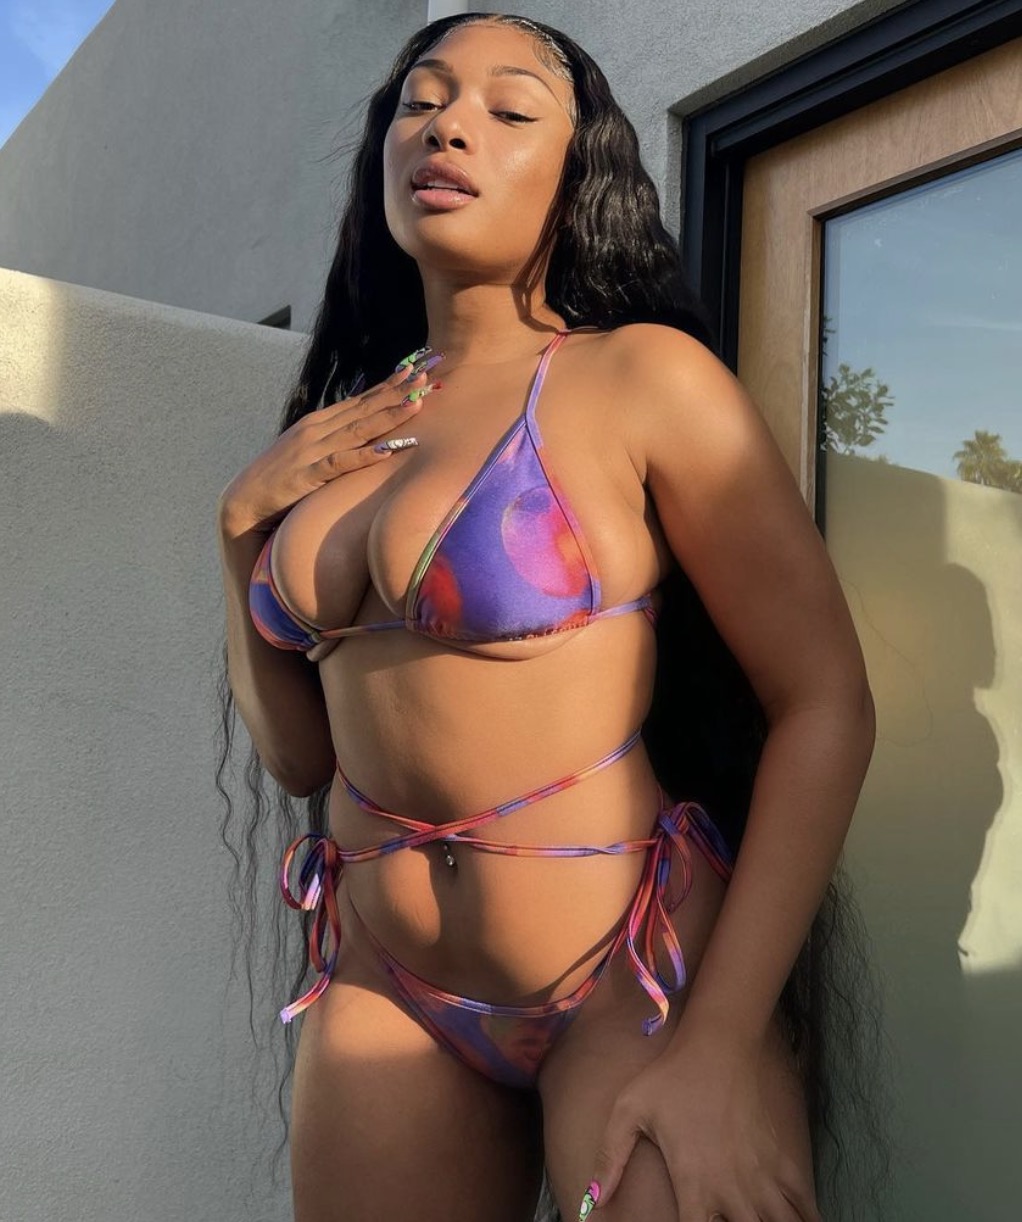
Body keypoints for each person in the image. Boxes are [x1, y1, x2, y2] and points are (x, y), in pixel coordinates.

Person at [217, 12, 885, 1222]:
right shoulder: (343, 425)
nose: (447, 128)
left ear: (578, 175)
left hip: (631, 973)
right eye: (420, 102)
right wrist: (234, 543)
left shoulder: (639, 378)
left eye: (507, 109)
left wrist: (721, 1038)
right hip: (385, 980)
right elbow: (301, 758)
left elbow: (822, 700)